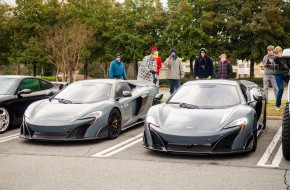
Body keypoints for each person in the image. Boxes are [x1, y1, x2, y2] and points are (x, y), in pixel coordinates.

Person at [273, 46, 290, 111]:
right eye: (276, 53)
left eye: (278, 52)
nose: (277, 54)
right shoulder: (276, 58)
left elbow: (288, 65)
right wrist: (279, 57)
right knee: (281, 89)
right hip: (278, 74)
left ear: (281, 52)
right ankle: (277, 106)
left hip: (285, 74)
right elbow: (282, 64)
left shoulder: (285, 57)